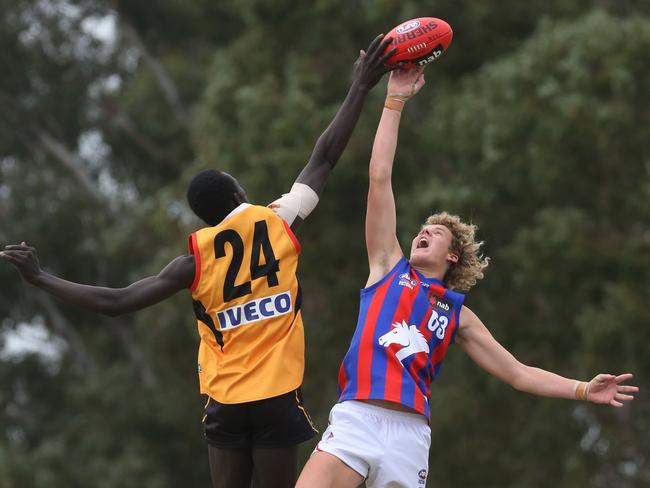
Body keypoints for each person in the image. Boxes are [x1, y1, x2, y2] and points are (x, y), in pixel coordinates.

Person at [0, 34, 399, 488]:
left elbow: (117, 301)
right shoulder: (276, 222)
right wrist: (360, 87)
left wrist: (41, 278)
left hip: (227, 401)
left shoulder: (193, 259)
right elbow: (325, 156)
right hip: (275, 396)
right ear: (236, 196)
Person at [295, 67, 640, 488]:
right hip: (357, 418)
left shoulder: (456, 314)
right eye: (421, 228)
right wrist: (394, 101)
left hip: (409, 436)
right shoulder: (387, 266)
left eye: (435, 233)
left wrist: (583, 389)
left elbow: (516, 372)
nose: (423, 232)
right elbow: (379, 176)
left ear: (453, 256)